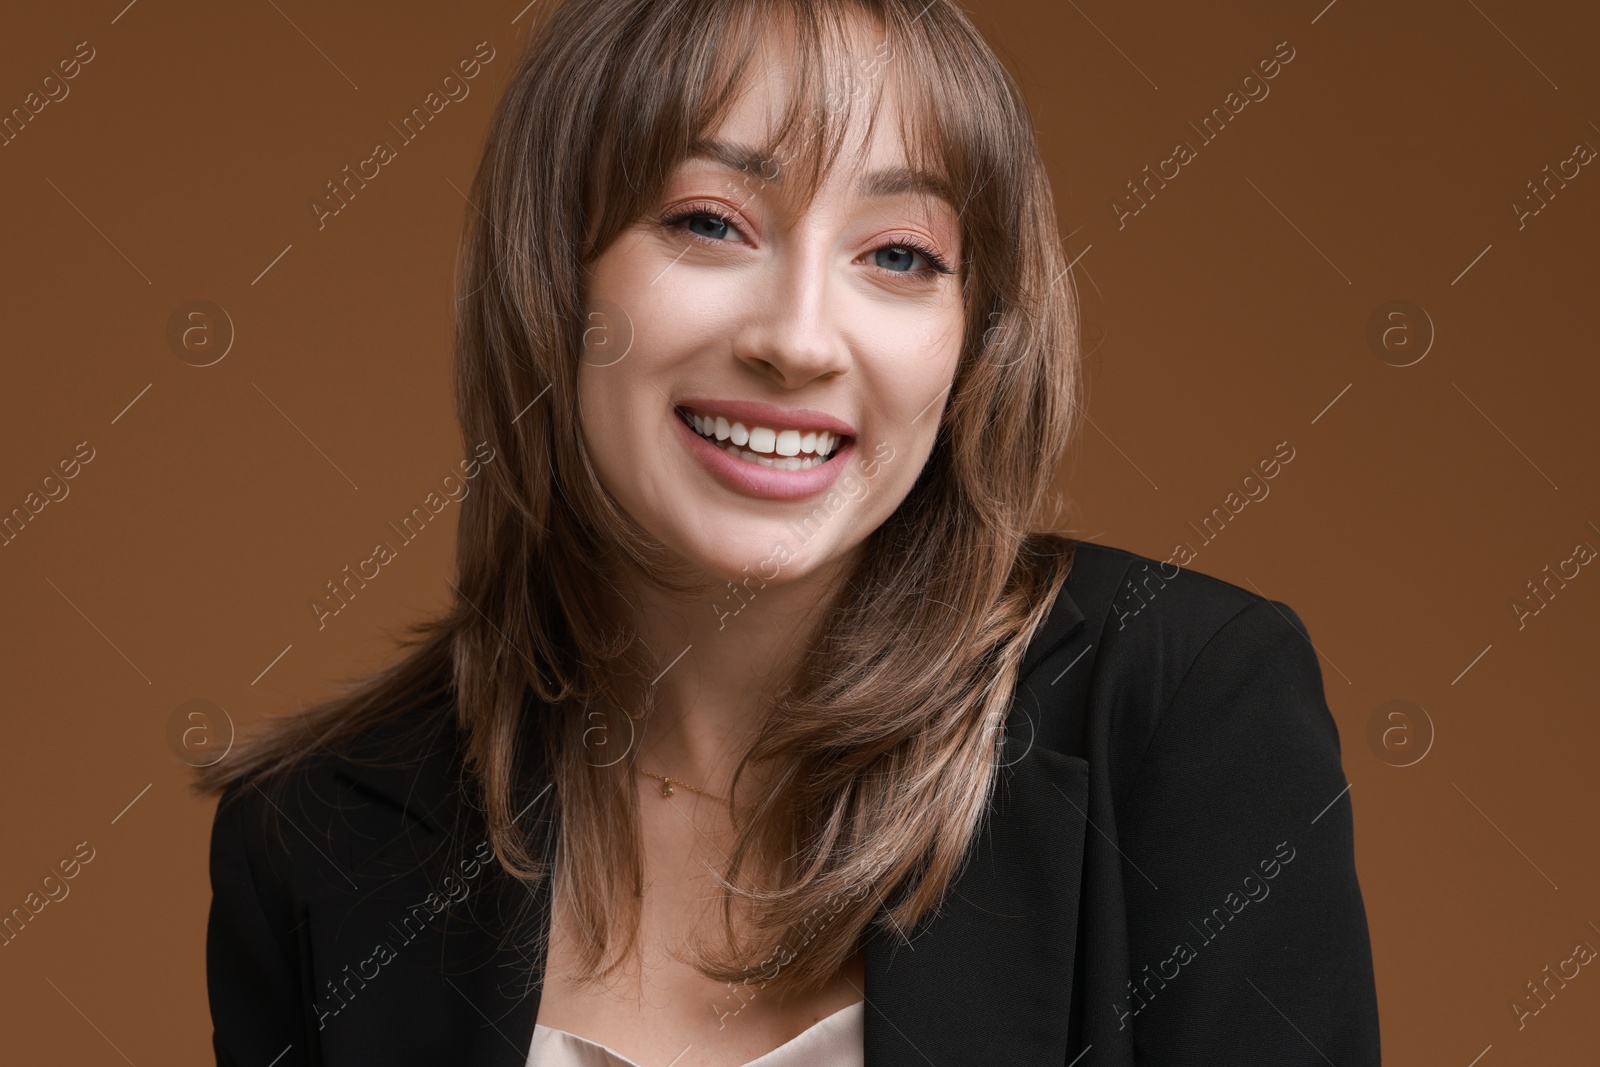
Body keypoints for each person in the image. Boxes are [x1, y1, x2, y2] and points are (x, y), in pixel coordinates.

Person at [200, 0, 1381, 1064]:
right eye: (712, 223)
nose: (801, 338)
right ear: (552, 273)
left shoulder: (1187, 714)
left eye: (900, 255)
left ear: (973, 335)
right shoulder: (313, 839)